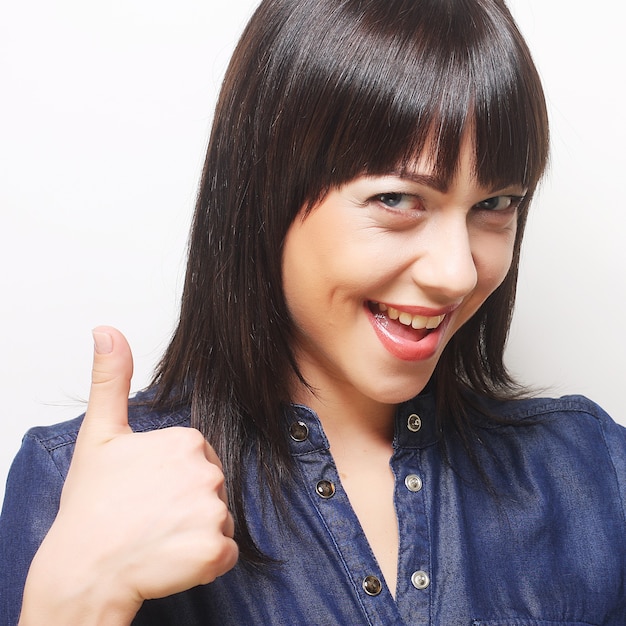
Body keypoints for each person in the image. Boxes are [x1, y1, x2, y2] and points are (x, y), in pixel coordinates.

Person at [1, 0, 625, 623]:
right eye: (397, 198)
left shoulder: (593, 473)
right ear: (265, 193)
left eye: (496, 203)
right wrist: (76, 596)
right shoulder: (82, 491)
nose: (458, 272)